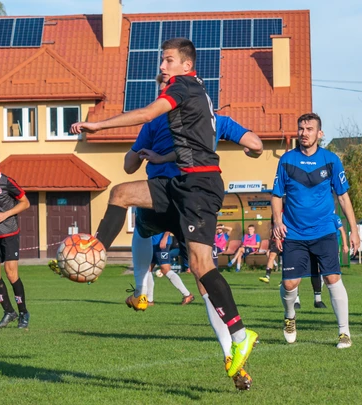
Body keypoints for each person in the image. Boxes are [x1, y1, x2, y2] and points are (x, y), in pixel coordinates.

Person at [70, 37, 258, 381]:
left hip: (199, 189)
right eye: (162, 61)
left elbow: (146, 113)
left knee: (202, 268)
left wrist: (97, 125)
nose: (161, 66)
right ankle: (95, 254)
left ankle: (241, 337)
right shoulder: (195, 94)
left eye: (168, 60)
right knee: (123, 193)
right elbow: (195, 144)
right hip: (181, 184)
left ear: (187, 65)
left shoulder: (183, 86)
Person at [272, 112, 360, 349]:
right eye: (301, 128)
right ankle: (290, 317)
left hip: (323, 231)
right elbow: (277, 195)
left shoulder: (331, 160)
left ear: (319, 134)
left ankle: (344, 333)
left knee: (332, 278)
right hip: (294, 234)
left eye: (309, 129)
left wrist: (353, 229)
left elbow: (343, 196)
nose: (304, 133)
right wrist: (277, 222)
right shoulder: (287, 160)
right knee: (290, 284)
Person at [0, 161, 31, 329]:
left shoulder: (7, 182)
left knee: (11, 274)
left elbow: (26, 202)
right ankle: (9, 312)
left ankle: (23, 313)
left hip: (9, 234)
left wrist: (6, 214)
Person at [146, 232, 194, 306]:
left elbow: (168, 223)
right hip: (152, 243)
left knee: (165, 269)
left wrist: (164, 238)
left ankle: (187, 295)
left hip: (161, 242)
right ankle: (149, 300)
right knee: (147, 269)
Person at [259, 216, 281, 284]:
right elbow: (271, 233)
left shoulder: (286, 213)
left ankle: (285, 280)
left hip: (285, 241)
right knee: (271, 256)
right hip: (275, 241)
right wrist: (269, 247)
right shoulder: (273, 218)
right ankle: (267, 276)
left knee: (287, 260)